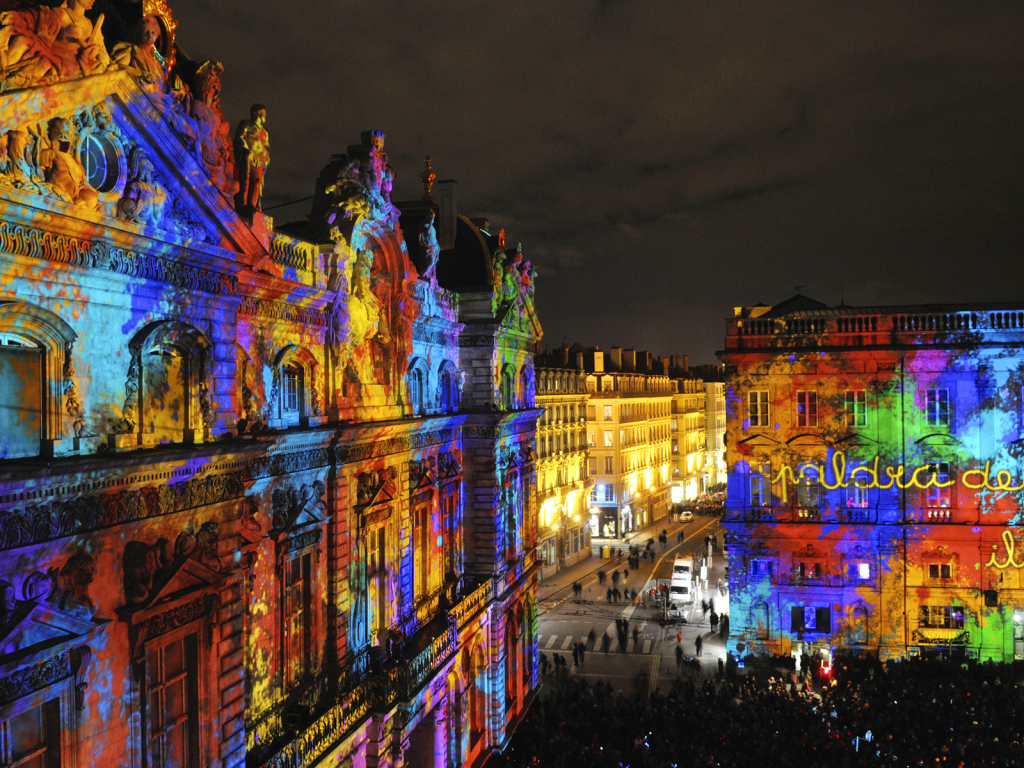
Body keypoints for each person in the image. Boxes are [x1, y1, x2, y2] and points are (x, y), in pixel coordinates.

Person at [235, 103, 269, 214]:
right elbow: (240, 137)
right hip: (249, 155)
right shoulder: (246, 124)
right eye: (263, 112)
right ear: (258, 113)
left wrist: (266, 157)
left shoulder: (264, 131)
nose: (265, 115)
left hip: (259, 160)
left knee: (257, 181)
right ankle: (242, 203)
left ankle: (252, 205)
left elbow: (266, 146)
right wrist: (246, 148)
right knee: (246, 178)